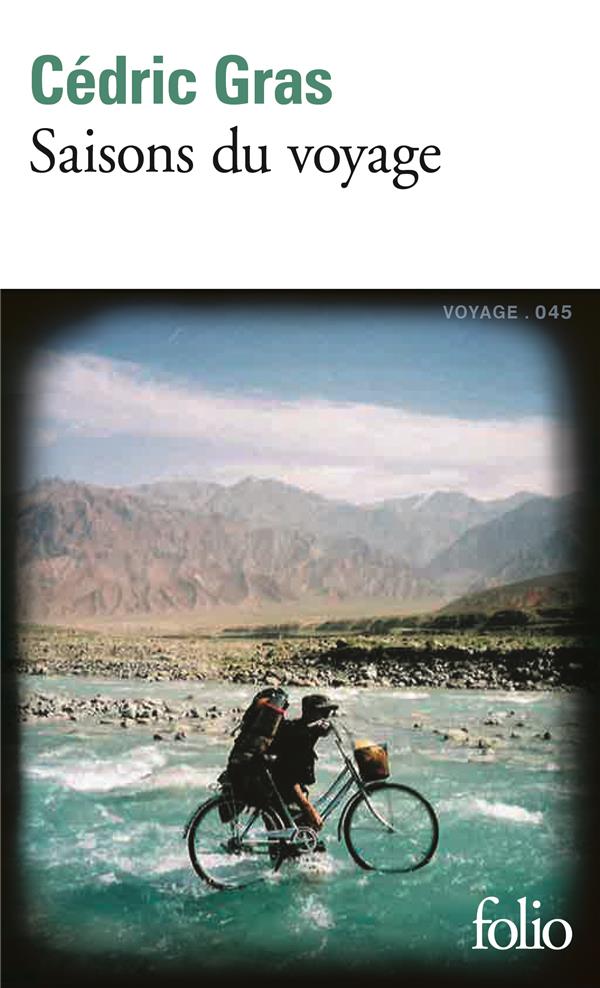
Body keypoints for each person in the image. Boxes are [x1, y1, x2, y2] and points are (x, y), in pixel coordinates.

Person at [269, 693, 338, 831]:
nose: (326, 718)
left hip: (287, 790)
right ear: (309, 713)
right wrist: (308, 809)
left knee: (306, 836)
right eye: (323, 713)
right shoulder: (299, 737)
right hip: (283, 791)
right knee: (298, 836)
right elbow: (288, 778)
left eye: (328, 713)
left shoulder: (303, 729)